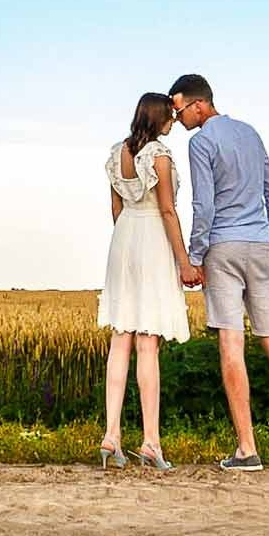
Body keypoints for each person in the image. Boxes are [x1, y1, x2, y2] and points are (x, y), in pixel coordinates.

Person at [169, 72, 269, 471]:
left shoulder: (202, 142)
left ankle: (247, 450)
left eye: (180, 110)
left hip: (223, 248)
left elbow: (205, 206)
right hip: (261, 248)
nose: (179, 120)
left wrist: (196, 256)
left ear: (200, 104)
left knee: (231, 345)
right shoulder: (250, 133)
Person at [95, 90, 189, 469]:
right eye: (169, 116)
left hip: (124, 240)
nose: (173, 121)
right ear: (158, 118)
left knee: (121, 339)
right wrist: (183, 260)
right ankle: (151, 441)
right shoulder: (160, 156)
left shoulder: (117, 153)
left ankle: (111, 436)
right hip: (152, 238)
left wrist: (126, 242)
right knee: (147, 343)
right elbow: (167, 209)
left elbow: (116, 207)